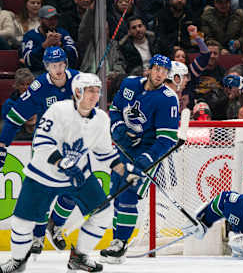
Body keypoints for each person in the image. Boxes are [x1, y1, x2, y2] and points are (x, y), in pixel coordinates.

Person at [0, 72, 144, 273]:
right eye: (90, 91)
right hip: (43, 174)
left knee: (104, 215)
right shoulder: (58, 110)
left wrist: (125, 171)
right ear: (77, 92)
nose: (95, 95)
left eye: (97, 91)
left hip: (78, 175)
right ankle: (17, 260)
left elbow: (105, 153)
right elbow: (42, 143)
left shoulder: (102, 118)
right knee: (22, 221)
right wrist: (64, 163)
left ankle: (79, 256)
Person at [0, 47, 80, 256]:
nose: (58, 68)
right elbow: (16, 117)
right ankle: (37, 235)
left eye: (61, 64)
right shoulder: (38, 87)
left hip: (72, 144)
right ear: (46, 67)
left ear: (66, 63)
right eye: (54, 65)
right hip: (46, 143)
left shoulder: (79, 81)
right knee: (42, 190)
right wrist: (2, 144)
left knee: (73, 189)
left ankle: (56, 225)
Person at [100, 54, 180, 264]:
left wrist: (146, 159)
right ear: (149, 69)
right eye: (157, 69)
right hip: (123, 150)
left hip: (146, 154)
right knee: (116, 192)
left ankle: (120, 243)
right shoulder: (129, 84)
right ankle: (116, 242)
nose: (160, 74)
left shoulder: (168, 99)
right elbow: (116, 109)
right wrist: (118, 130)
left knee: (128, 193)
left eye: (164, 71)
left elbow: (167, 139)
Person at [22, 5, 78, 76]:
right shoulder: (30, 35)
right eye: (49, 19)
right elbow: (28, 61)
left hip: (62, 71)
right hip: (39, 73)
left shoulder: (63, 33)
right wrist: (44, 46)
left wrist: (60, 47)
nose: (53, 22)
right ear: (40, 20)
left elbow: (75, 56)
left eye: (55, 19)